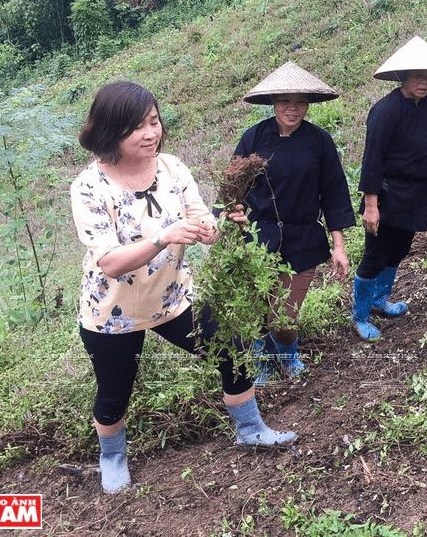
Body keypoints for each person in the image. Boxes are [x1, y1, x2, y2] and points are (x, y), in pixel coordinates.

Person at [70, 81, 296, 495]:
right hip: (112, 314)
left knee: (230, 346)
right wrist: (165, 236)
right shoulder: (89, 187)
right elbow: (110, 262)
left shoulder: (172, 167)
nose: (151, 133)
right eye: (137, 128)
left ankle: (251, 428)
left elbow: (201, 221)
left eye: (154, 122)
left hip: (174, 299)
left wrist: (215, 226)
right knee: (114, 392)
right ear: (109, 132)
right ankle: (113, 457)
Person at [234, 62, 355, 382]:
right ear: (273, 103)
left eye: (300, 101)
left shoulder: (319, 142)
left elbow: (334, 193)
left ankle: (287, 355)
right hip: (260, 238)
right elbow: (232, 190)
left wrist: (338, 246)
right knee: (257, 307)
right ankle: (262, 361)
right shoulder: (254, 138)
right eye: (285, 100)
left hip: (303, 238)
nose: (293, 108)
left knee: (285, 315)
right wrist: (230, 224)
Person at [353, 36, 427, 341]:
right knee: (376, 253)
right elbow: (371, 159)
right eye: (418, 77)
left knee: (400, 249)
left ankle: (380, 300)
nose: (425, 83)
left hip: (417, 194)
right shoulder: (385, 111)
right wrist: (371, 205)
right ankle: (360, 314)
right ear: (403, 77)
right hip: (388, 196)